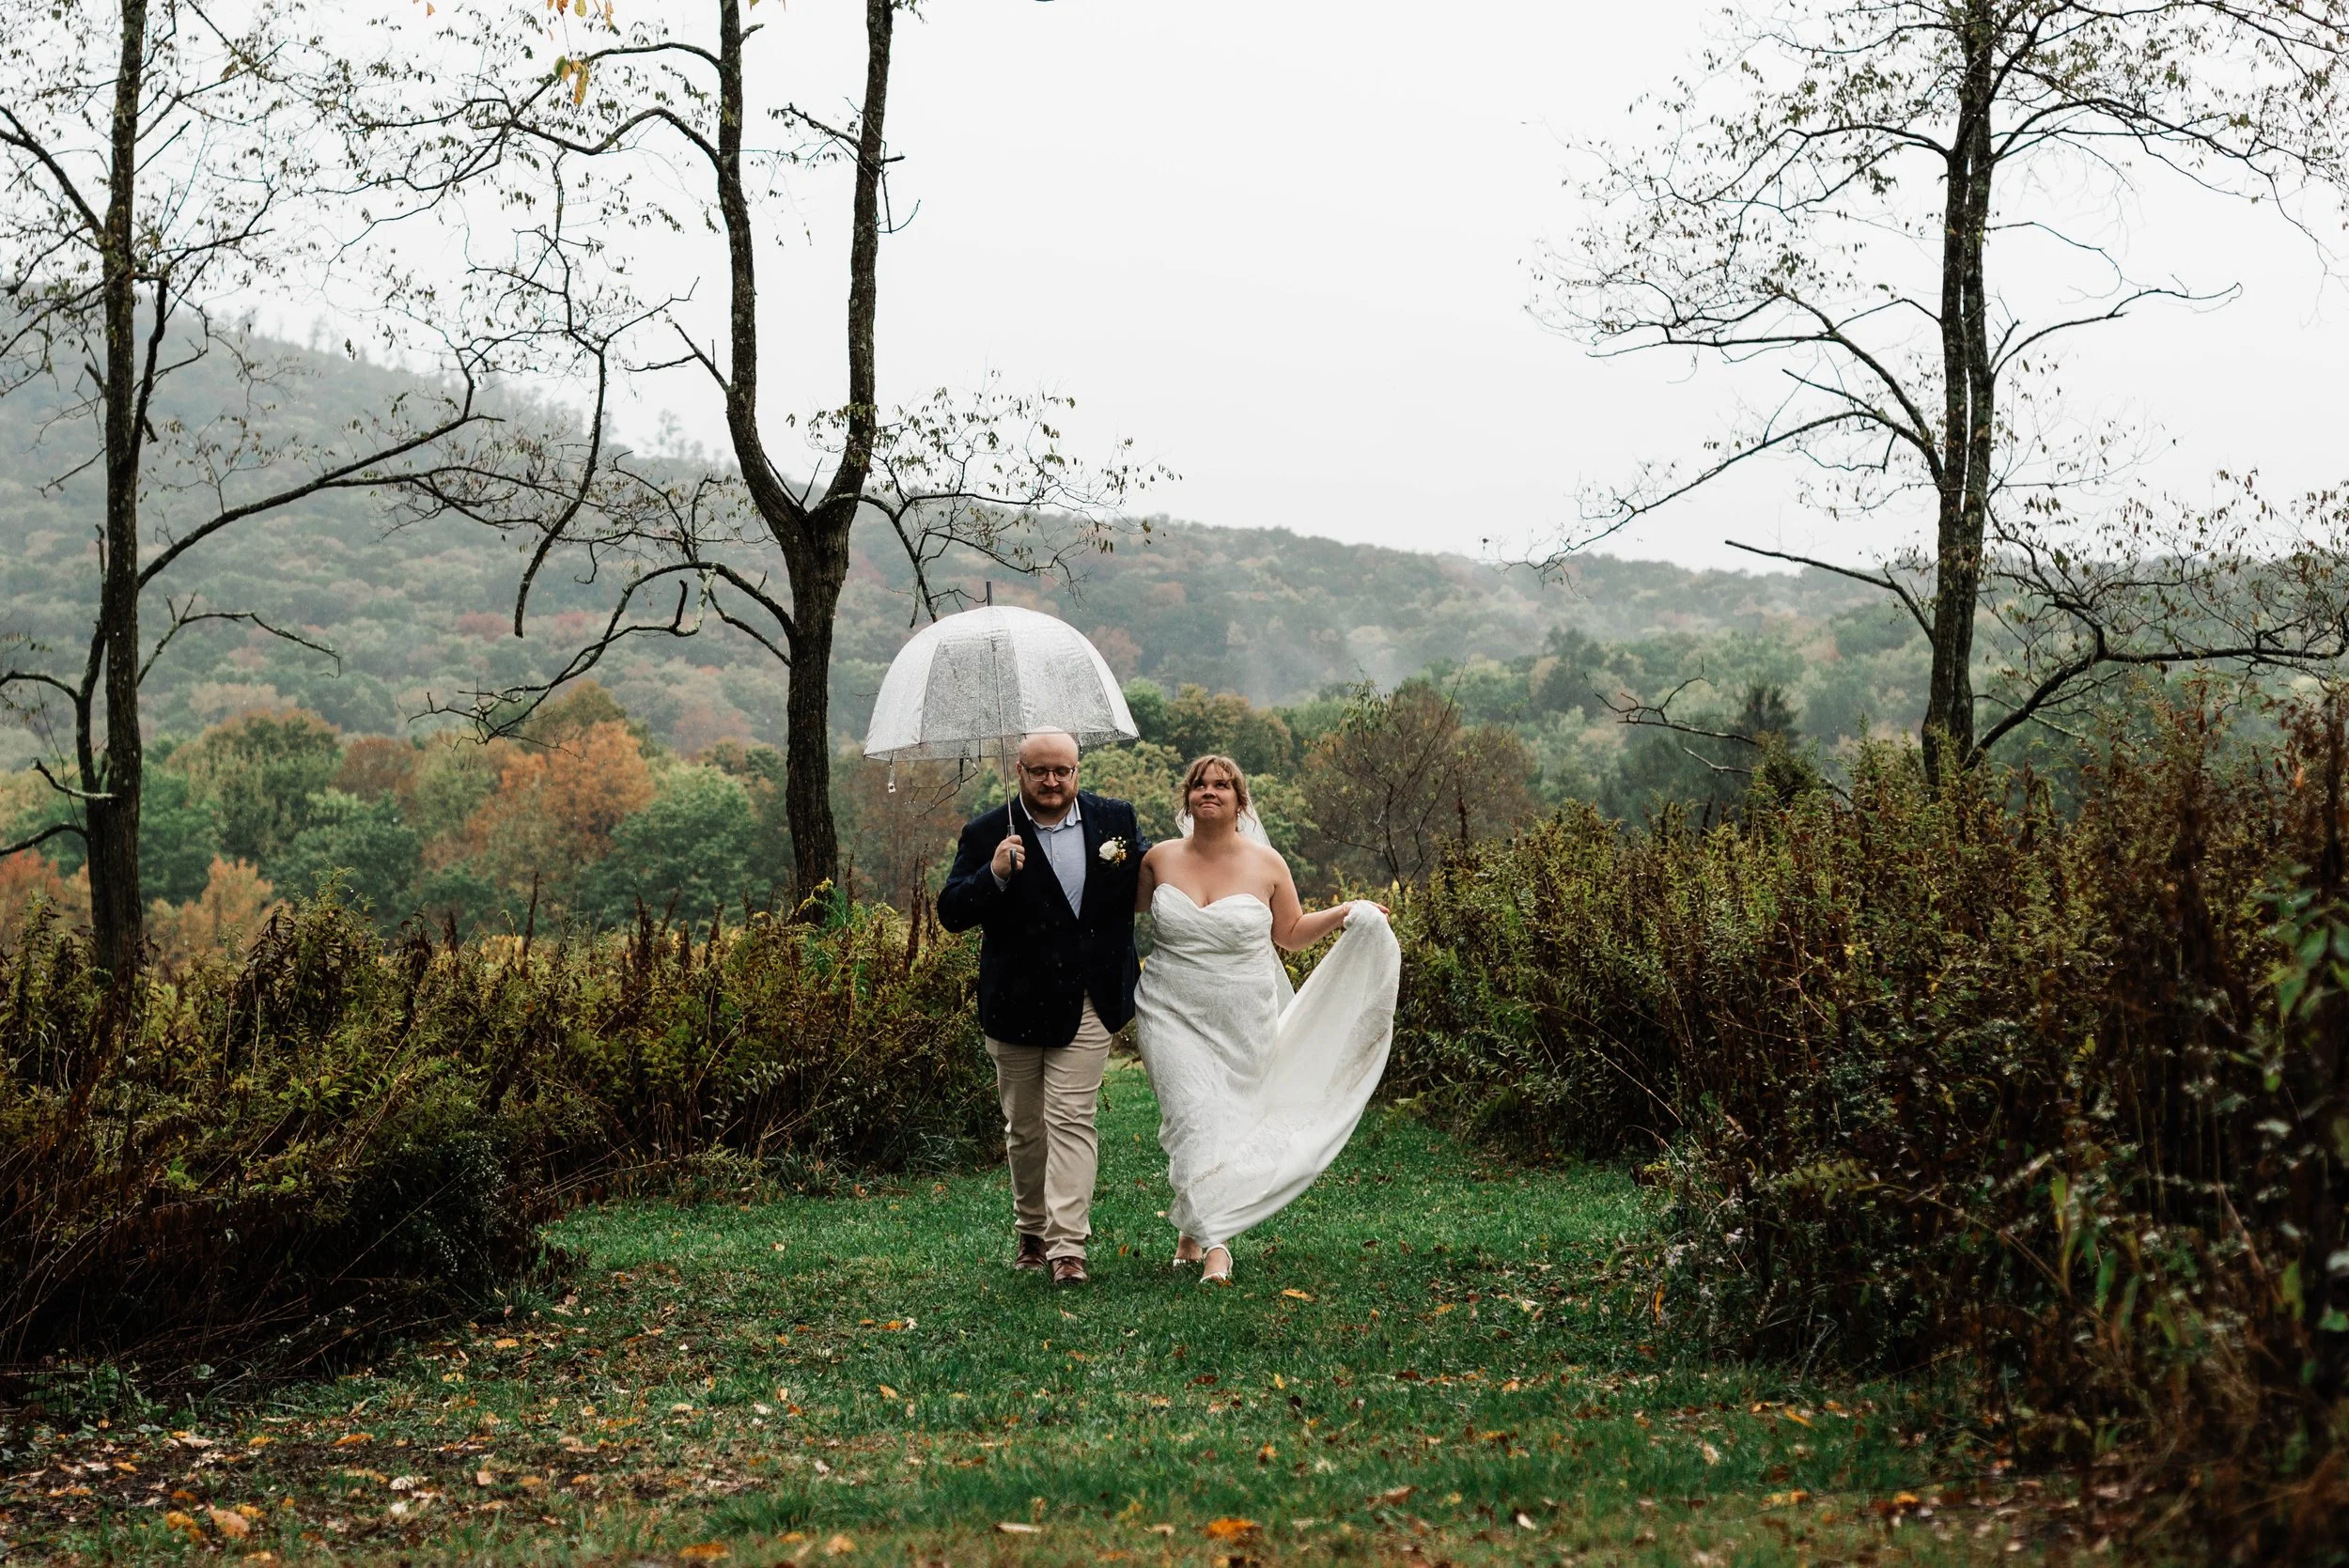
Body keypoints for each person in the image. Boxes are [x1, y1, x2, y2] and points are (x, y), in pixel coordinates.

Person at [1131, 753, 1401, 1284]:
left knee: (1225, 1118)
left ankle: (1194, 1229)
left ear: (1239, 801)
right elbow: (1116, 915)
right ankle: (1217, 1244)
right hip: (1167, 1008)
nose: (1210, 792)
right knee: (1190, 1114)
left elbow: (1291, 932)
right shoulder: (1157, 860)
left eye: (1222, 785)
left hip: (1242, 1016)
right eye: (1200, 785)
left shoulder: (1266, 865)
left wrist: (1347, 912)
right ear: (1187, 798)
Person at [937, 730, 1148, 1287]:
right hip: (1015, 1002)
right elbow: (952, 911)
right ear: (1019, 771)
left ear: (1077, 770)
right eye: (1040, 771)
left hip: (1090, 998)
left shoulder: (1116, 821)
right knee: (1025, 1127)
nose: (1052, 782)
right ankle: (1030, 1231)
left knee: (1073, 1118)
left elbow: (1150, 880)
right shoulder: (987, 832)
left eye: (1062, 770)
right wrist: (996, 874)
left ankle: (1067, 1248)